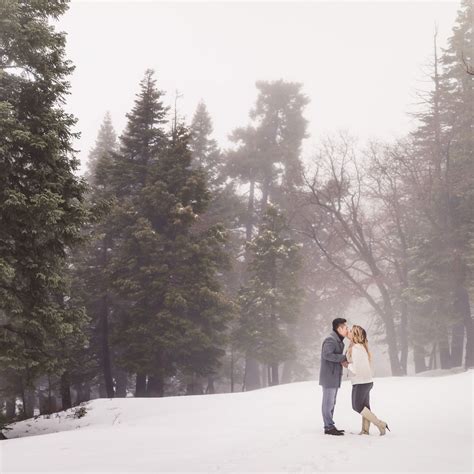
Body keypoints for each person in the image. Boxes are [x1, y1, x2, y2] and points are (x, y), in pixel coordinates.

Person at [346, 325, 390, 436]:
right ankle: (365, 430)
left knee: (357, 406)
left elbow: (355, 368)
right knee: (365, 407)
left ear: (356, 335)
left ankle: (380, 424)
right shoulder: (359, 347)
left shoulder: (356, 349)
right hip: (365, 381)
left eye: (351, 331)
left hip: (361, 382)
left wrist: (347, 365)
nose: (349, 332)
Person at [318, 318, 349, 435]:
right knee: (328, 402)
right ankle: (328, 427)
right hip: (329, 376)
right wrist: (343, 358)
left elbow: (333, 356)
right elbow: (327, 355)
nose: (347, 330)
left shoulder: (338, 340)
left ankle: (330, 425)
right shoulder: (330, 340)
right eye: (345, 328)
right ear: (339, 328)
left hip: (334, 376)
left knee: (332, 402)